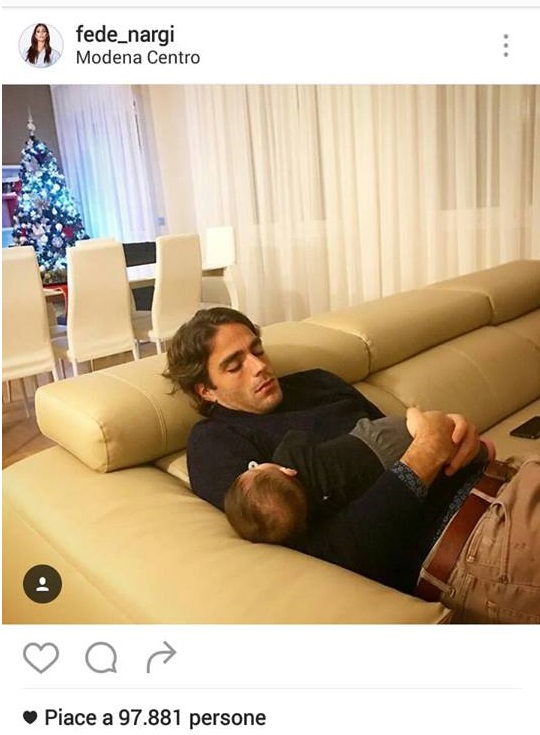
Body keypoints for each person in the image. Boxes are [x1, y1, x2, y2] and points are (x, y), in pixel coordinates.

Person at [165, 306, 540, 623]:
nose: (259, 366)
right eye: (235, 366)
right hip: (474, 544)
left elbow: (405, 435)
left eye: (258, 350)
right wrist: (425, 456)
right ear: (205, 390)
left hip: (508, 478)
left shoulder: (318, 382)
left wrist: (456, 434)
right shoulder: (215, 443)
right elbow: (329, 555)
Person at [224, 416, 494, 545]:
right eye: (255, 467)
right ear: (287, 471)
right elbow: (299, 436)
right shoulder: (289, 455)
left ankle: (482, 454)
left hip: (385, 474)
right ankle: (483, 452)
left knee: (447, 460)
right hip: (378, 441)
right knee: (435, 435)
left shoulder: (319, 516)